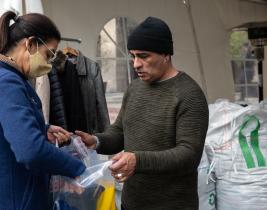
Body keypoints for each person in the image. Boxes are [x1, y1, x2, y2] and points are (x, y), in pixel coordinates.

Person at [76, 17, 209, 210]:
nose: (136, 64)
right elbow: (121, 131)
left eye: (143, 56)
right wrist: (96, 141)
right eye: (133, 56)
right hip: (132, 203)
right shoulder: (135, 88)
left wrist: (137, 160)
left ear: (166, 54)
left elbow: (189, 155)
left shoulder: (189, 95)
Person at [0, 11, 86, 210]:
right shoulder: (7, 82)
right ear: (30, 44)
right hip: (15, 201)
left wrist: (41, 127)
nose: (49, 64)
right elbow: (30, 151)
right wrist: (79, 168)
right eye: (48, 54)